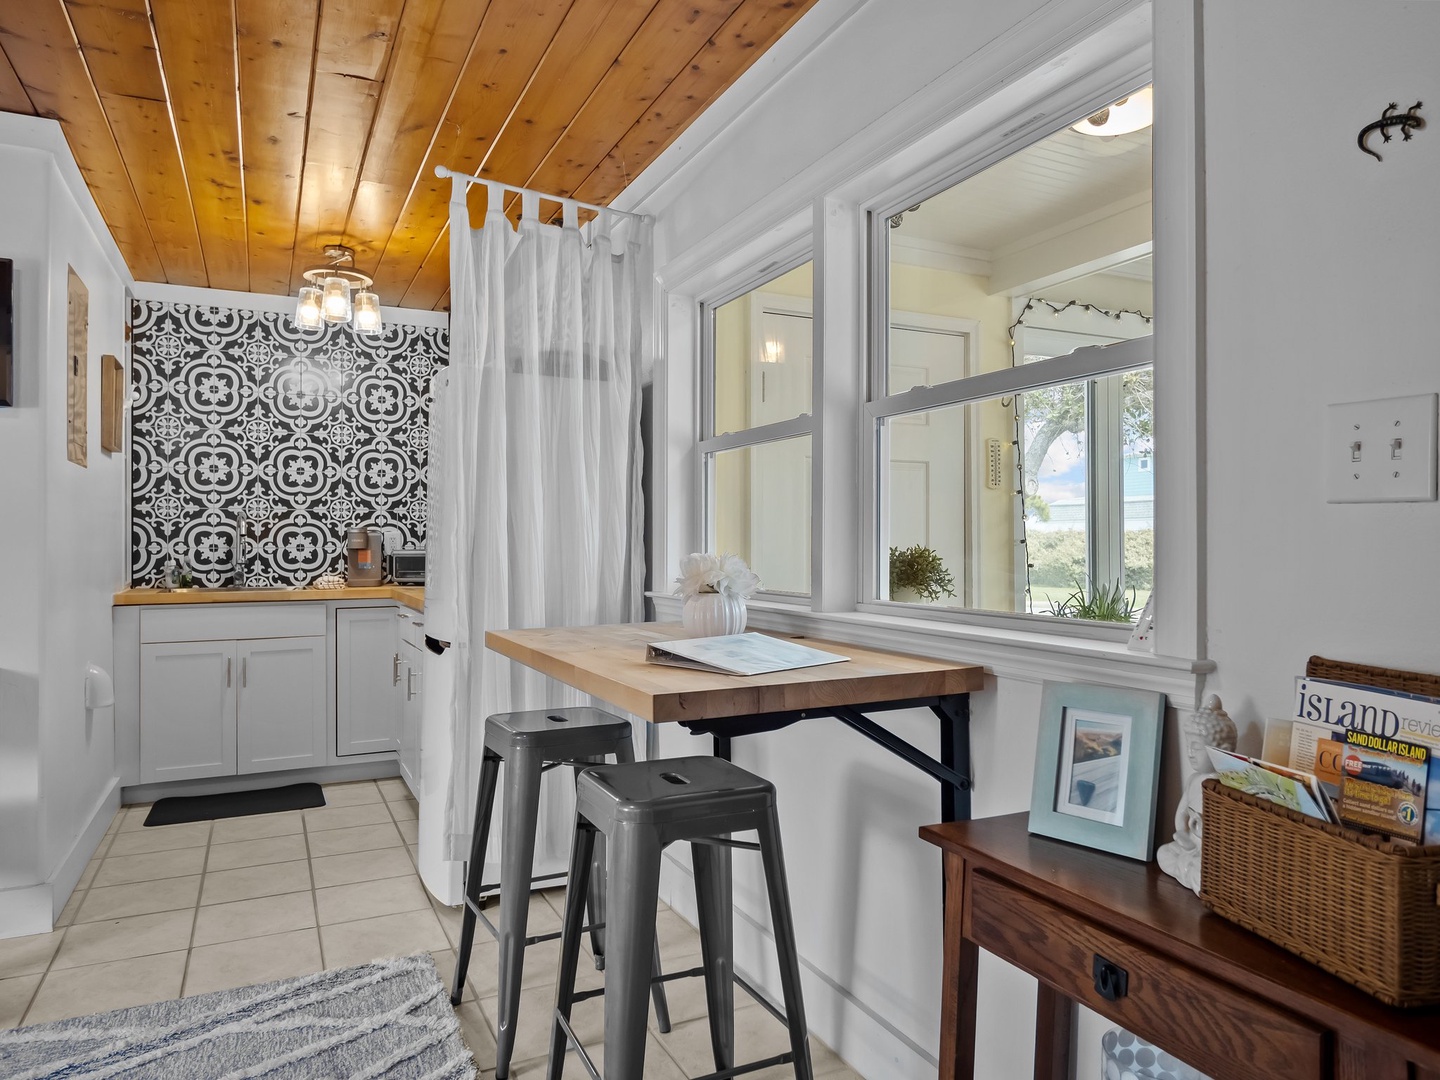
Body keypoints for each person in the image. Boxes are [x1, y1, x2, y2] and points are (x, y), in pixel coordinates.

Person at [1157, 695, 1236, 894]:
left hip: (1209, 855)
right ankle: (1189, 871)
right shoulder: (1193, 780)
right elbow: (1182, 813)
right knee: (1163, 853)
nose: (1190, 753)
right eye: (1189, 746)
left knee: (1210, 875)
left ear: (1223, 751)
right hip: (1190, 848)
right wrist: (1183, 835)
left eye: (1197, 747)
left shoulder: (1226, 788)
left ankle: (1196, 876)